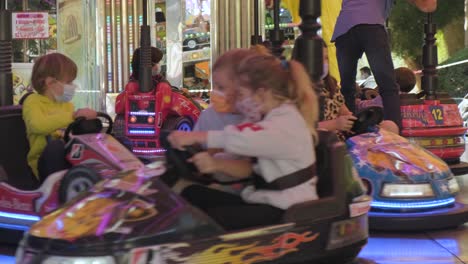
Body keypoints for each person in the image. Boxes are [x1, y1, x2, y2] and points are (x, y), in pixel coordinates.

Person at [167, 49, 319, 230]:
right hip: (265, 199)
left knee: (208, 222)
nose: (238, 102)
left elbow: (243, 138)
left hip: (286, 208)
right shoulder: (269, 117)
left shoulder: (286, 123)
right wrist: (213, 163)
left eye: (240, 95)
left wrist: (196, 137)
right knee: (191, 194)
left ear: (261, 93)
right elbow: (248, 159)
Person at [332, 0, 437, 130]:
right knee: (388, 86)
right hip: (371, 25)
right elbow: (427, 5)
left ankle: (348, 133)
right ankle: (394, 132)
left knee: (347, 89)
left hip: (343, 29)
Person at [23, 53, 96, 181]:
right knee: (56, 146)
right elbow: (37, 125)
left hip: (69, 158)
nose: (73, 86)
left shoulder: (67, 106)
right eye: (69, 82)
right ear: (50, 82)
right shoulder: (33, 101)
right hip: (43, 161)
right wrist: (73, 116)